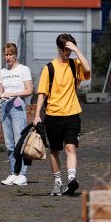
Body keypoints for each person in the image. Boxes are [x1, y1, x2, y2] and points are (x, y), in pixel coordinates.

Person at [33, 33, 91, 196]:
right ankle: (58, 182)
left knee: (70, 147)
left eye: (70, 49)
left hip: (72, 113)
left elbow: (88, 69)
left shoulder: (75, 64)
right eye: (66, 49)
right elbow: (42, 94)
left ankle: (72, 179)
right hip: (53, 115)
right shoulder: (49, 68)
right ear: (59, 49)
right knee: (54, 150)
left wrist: (77, 50)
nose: (69, 52)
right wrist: (37, 115)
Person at [0, 43, 33, 186]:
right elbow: (0, 91)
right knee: (9, 143)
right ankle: (13, 172)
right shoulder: (3, 72)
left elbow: (29, 90)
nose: (8, 57)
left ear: (16, 55)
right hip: (4, 106)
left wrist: (14, 93)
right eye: (6, 54)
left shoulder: (23, 69)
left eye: (10, 54)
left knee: (19, 141)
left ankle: (22, 173)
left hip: (17, 105)